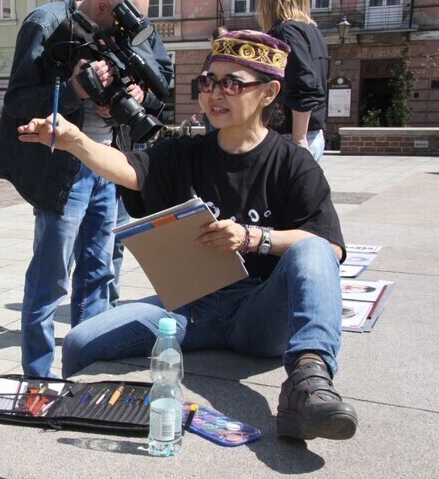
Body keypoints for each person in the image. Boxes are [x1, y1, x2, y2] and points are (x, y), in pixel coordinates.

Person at [18, 29, 358, 441]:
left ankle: (309, 385)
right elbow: (129, 169)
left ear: (268, 93)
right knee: (80, 341)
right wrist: (75, 141)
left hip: (258, 312)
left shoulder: (294, 164)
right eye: (208, 82)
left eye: (232, 83)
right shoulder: (186, 150)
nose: (216, 93)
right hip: (189, 307)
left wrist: (254, 238)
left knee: (312, 250)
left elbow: (331, 249)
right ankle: (81, 420)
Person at [0, 0, 156, 378]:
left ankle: (85, 366)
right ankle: (39, 376)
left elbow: (154, 82)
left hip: (108, 162)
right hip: (63, 168)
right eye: (125, 21)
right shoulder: (44, 23)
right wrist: (74, 91)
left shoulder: (112, 33)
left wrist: (136, 94)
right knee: (51, 278)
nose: (131, 31)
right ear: (103, 9)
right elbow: (16, 100)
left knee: (99, 273)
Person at [75, 0, 174, 308]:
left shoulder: (139, 24)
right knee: (75, 243)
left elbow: (164, 77)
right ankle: (90, 309)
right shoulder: (66, 19)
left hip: (124, 146)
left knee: (113, 237)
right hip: (77, 151)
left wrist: (140, 92)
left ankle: (105, 308)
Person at [258, 0, 329, 162]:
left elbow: (304, 83)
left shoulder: (285, 33)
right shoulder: (312, 32)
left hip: (293, 136)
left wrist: (299, 139)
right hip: (308, 133)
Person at [197, 26, 229, 133]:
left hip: (214, 108)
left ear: (212, 40)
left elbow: (204, 77)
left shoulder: (213, 56)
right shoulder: (231, 57)